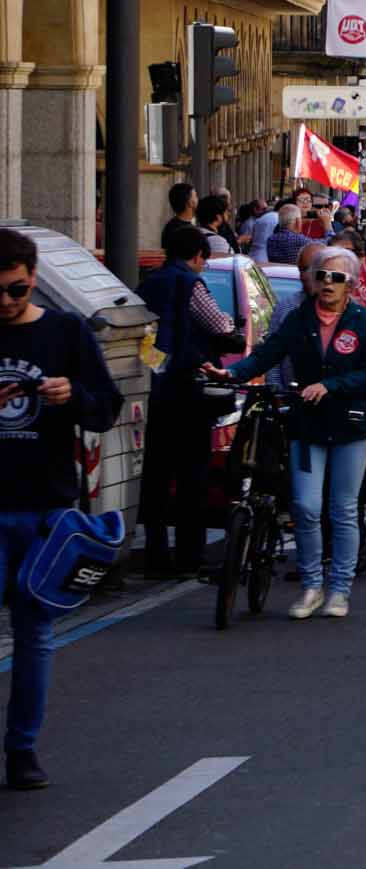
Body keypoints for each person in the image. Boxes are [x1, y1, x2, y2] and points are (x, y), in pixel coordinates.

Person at [0, 228, 121, 790]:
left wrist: (73, 396)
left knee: (35, 634)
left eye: (17, 290)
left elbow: (105, 410)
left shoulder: (65, 331)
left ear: (33, 276)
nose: (5, 301)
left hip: (45, 506)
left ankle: (22, 749)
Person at [208, 247, 366, 619]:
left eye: (336, 278)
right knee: (305, 506)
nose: (327, 284)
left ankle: (339, 589)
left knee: (343, 509)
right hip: (308, 424)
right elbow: (269, 352)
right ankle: (311, 586)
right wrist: (233, 374)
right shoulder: (299, 318)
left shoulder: (364, 321)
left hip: (351, 424)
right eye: (321, 276)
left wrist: (331, 385)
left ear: (351, 284)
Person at [136, 225, 239, 576]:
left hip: (155, 390)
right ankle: (189, 555)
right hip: (187, 391)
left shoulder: (148, 282)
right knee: (191, 475)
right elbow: (220, 327)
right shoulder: (189, 284)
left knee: (156, 475)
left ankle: (155, 552)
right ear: (197, 256)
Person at [161, 183, 199, 251]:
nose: (197, 199)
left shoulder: (171, 226)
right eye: (195, 196)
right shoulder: (183, 230)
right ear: (190, 202)